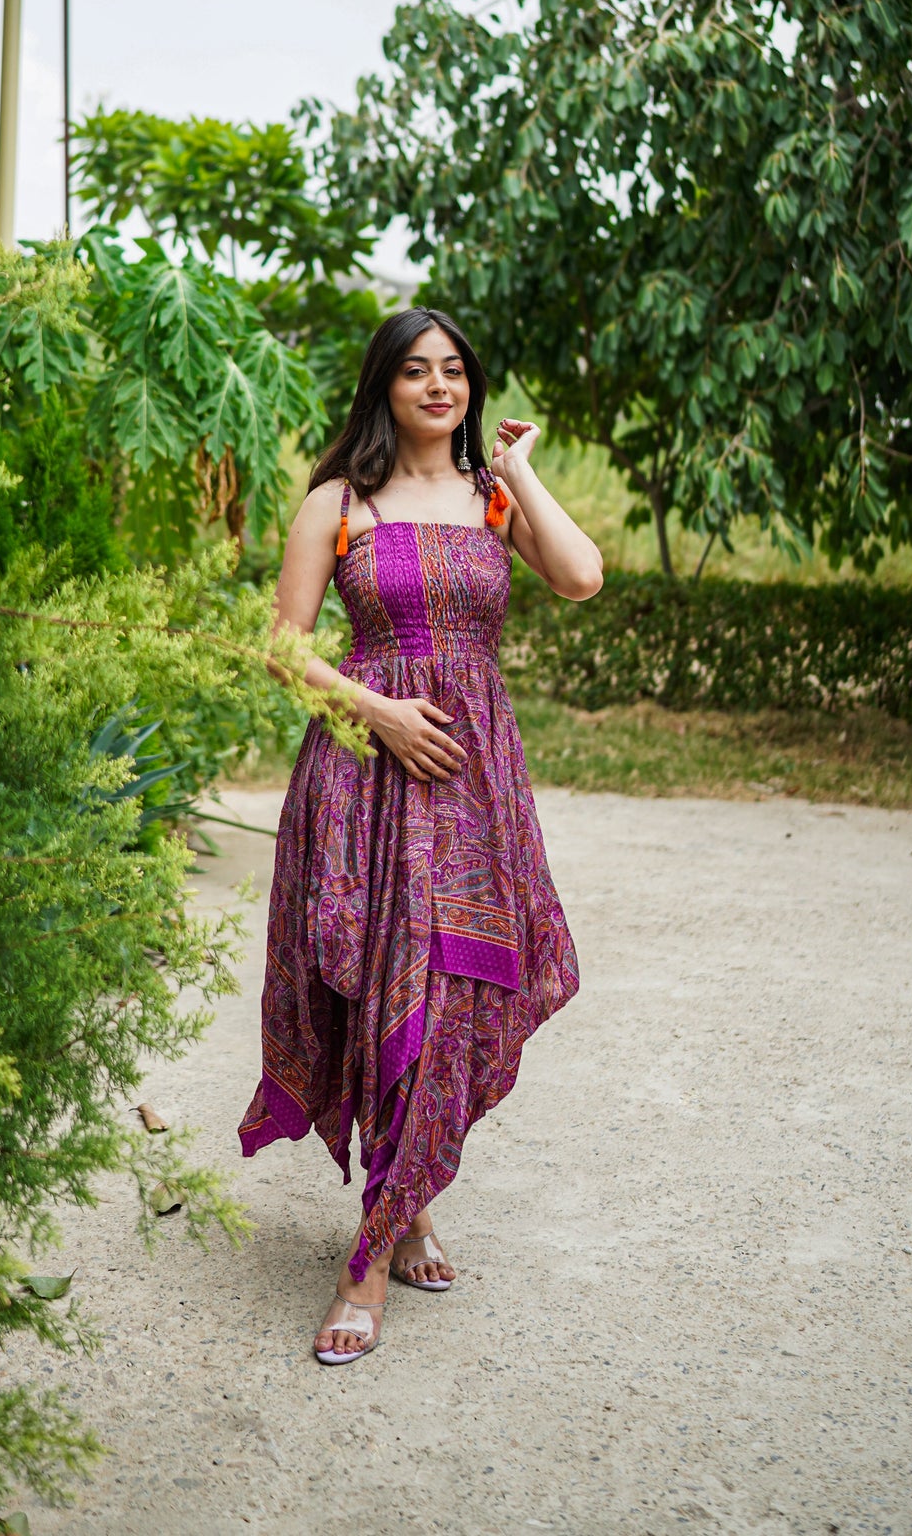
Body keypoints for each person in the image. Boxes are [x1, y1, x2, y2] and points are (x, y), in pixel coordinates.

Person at [238, 307, 603, 1363]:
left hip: (472, 783)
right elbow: (279, 648)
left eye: (452, 370)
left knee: (451, 991)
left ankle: (374, 1245)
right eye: (414, 370)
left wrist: (521, 469)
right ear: (383, 386)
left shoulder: (491, 499)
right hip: (363, 778)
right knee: (376, 990)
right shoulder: (337, 505)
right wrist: (379, 712)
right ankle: (402, 1215)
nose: (436, 384)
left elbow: (579, 575)